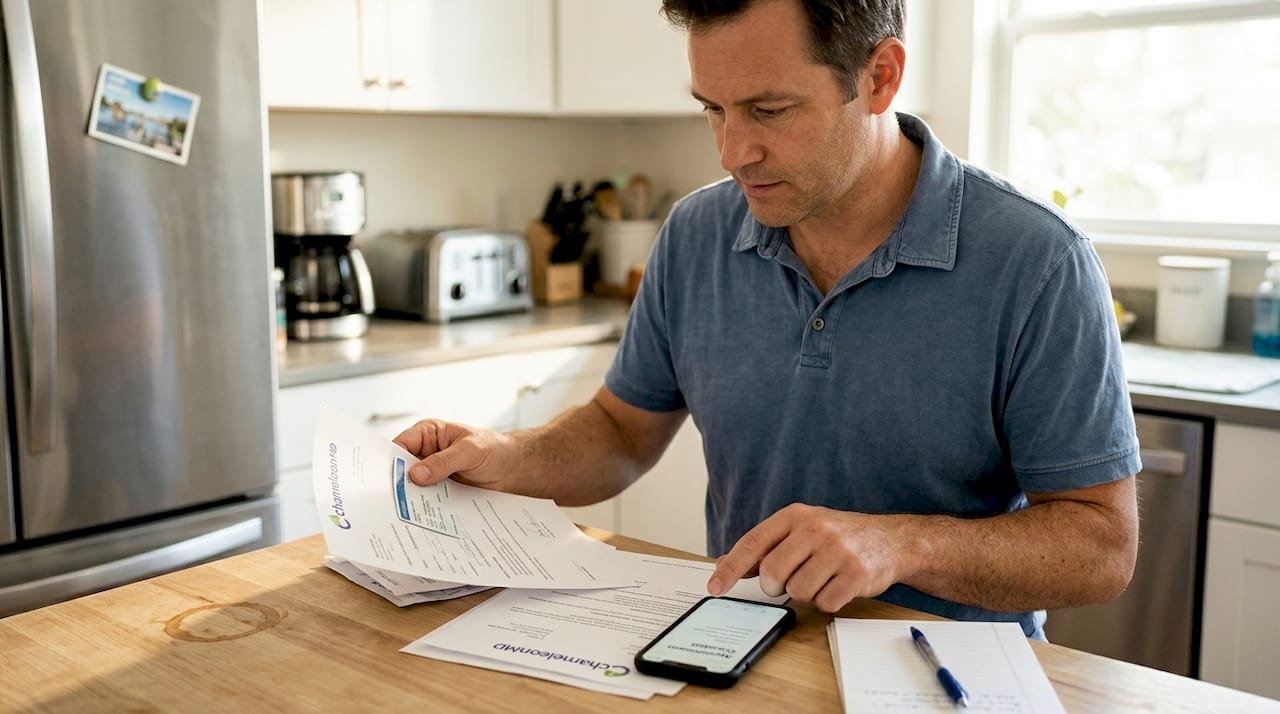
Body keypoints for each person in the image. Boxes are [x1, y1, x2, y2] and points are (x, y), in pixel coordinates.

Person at [396, 0, 1140, 638]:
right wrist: (506, 454)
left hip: (950, 673)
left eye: (768, 110)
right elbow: (622, 431)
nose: (732, 151)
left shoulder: (1037, 260)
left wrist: (901, 545)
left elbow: (1103, 546)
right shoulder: (695, 234)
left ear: (879, 77)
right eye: (712, 109)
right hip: (741, 646)